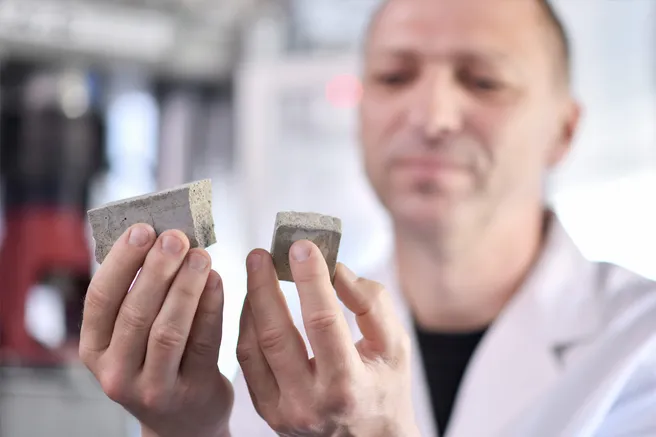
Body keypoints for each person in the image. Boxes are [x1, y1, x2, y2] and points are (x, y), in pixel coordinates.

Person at [79, 0, 656, 436]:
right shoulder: (286, 355)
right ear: (359, 117)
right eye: (394, 77)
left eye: (484, 81)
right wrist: (187, 428)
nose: (431, 116)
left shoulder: (641, 347)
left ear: (564, 129)